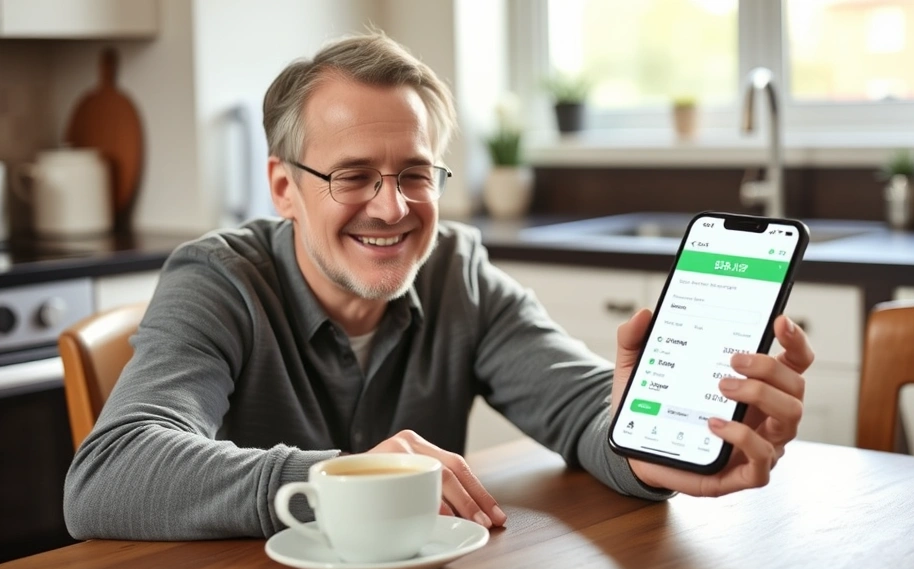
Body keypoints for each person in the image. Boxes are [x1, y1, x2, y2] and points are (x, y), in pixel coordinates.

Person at [64, 30, 814, 540]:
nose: (391, 208)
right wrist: (345, 480)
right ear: (284, 189)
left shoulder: (459, 270)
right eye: (352, 175)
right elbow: (107, 475)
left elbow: (585, 407)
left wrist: (658, 453)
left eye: (415, 174)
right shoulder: (217, 281)